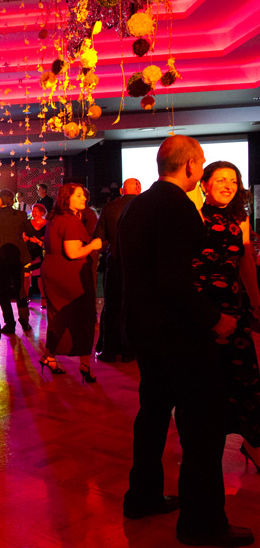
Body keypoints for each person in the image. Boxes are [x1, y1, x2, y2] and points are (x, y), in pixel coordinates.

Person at [117, 135, 252, 547]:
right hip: (178, 333)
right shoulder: (177, 207)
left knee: (153, 414)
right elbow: (174, 282)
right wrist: (215, 319)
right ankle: (202, 523)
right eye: (202, 161)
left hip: (146, 330)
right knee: (202, 427)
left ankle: (142, 496)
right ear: (192, 166)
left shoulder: (137, 205)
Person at [193, 163, 260, 478]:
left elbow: (246, 262)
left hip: (233, 305)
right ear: (204, 184)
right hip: (201, 308)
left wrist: (256, 301)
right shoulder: (194, 215)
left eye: (233, 180)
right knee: (207, 379)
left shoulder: (240, 217)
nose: (228, 185)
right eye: (220, 179)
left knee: (244, 377)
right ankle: (204, 449)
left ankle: (252, 443)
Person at [38, 183, 102, 382]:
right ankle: (84, 365)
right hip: (69, 273)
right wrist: (94, 245)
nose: (84, 199)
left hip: (53, 270)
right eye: (79, 195)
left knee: (59, 317)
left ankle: (49, 357)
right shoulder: (70, 221)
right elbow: (73, 253)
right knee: (83, 317)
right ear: (67, 198)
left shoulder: (55, 217)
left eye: (84, 195)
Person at [94, 178, 141, 363]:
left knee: (112, 307)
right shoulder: (146, 207)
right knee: (133, 307)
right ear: (139, 189)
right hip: (138, 265)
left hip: (114, 261)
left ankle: (109, 350)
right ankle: (129, 351)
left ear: (122, 190)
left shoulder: (110, 207)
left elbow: (99, 237)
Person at [0, 189, 32, 334]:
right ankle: (25, 320)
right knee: (20, 289)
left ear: (0, 201)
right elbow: (28, 231)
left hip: (2, 258)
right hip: (18, 256)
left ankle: (10, 324)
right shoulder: (21, 215)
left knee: (3, 292)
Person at [24, 203, 48, 308]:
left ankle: (43, 300)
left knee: (40, 277)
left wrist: (37, 241)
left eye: (36, 211)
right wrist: (28, 239)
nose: (33, 213)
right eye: (33, 211)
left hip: (39, 254)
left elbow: (47, 240)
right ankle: (25, 298)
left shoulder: (47, 224)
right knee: (26, 276)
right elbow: (23, 236)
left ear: (42, 212)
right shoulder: (27, 223)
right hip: (27, 252)